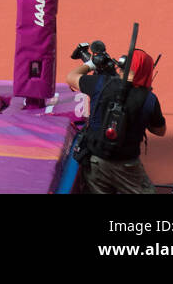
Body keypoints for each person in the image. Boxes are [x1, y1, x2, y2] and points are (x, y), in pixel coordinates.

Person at [67, 49, 165, 194]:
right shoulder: (149, 99)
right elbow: (160, 130)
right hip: (128, 166)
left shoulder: (100, 83)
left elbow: (71, 77)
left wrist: (92, 63)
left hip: (96, 160)